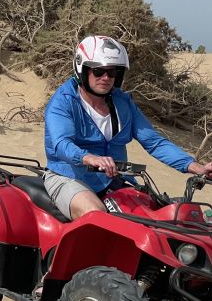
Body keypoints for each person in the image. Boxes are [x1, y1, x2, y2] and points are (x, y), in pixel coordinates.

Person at [44, 34, 212, 221]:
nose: (106, 78)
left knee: (155, 219)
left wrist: (194, 166)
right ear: (82, 69)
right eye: (99, 71)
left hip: (114, 180)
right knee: (96, 216)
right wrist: (88, 158)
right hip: (69, 178)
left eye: (113, 72)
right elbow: (61, 144)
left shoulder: (123, 103)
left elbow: (154, 142)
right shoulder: (63, 102)